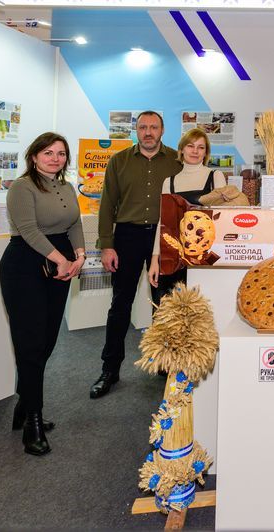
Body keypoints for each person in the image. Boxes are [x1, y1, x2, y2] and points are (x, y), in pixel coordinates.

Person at [0, 132, 85, 455]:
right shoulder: (22, 187)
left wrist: (79, 256)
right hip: (25, 265)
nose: (55, 158)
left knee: (47, 341)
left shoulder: (66, 187)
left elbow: (74, 223)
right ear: (34, 156)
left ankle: (24, 404)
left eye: (61, 153)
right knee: (30, 343)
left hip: (60, 264)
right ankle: (32, 422)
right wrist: (62, 260)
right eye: (48, 152)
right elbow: (29, 230)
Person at [92, 111, 183, 399]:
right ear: (136, 130)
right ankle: (110, 369)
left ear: (162, 130)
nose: (148, 132)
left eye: (153, 127)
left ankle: (166, 365)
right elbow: (107, 203)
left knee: (165, 304)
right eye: (143, 127)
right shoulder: (119, 161)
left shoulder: (177, 161)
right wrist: (107, 245)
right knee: (120, 304)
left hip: (165, 237)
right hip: (127, 237)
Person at [147, 127, 227, 303]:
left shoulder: (215, 177)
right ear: (182, 149)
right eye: (191, 146)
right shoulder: (169, 182)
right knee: (171, 311)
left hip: (205, 259)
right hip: (175, 259)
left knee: (203, 310)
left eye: (201, 147)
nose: (195, 151)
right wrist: (155, 260)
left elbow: (222, 220)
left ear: (206, 152)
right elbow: (163, 224)